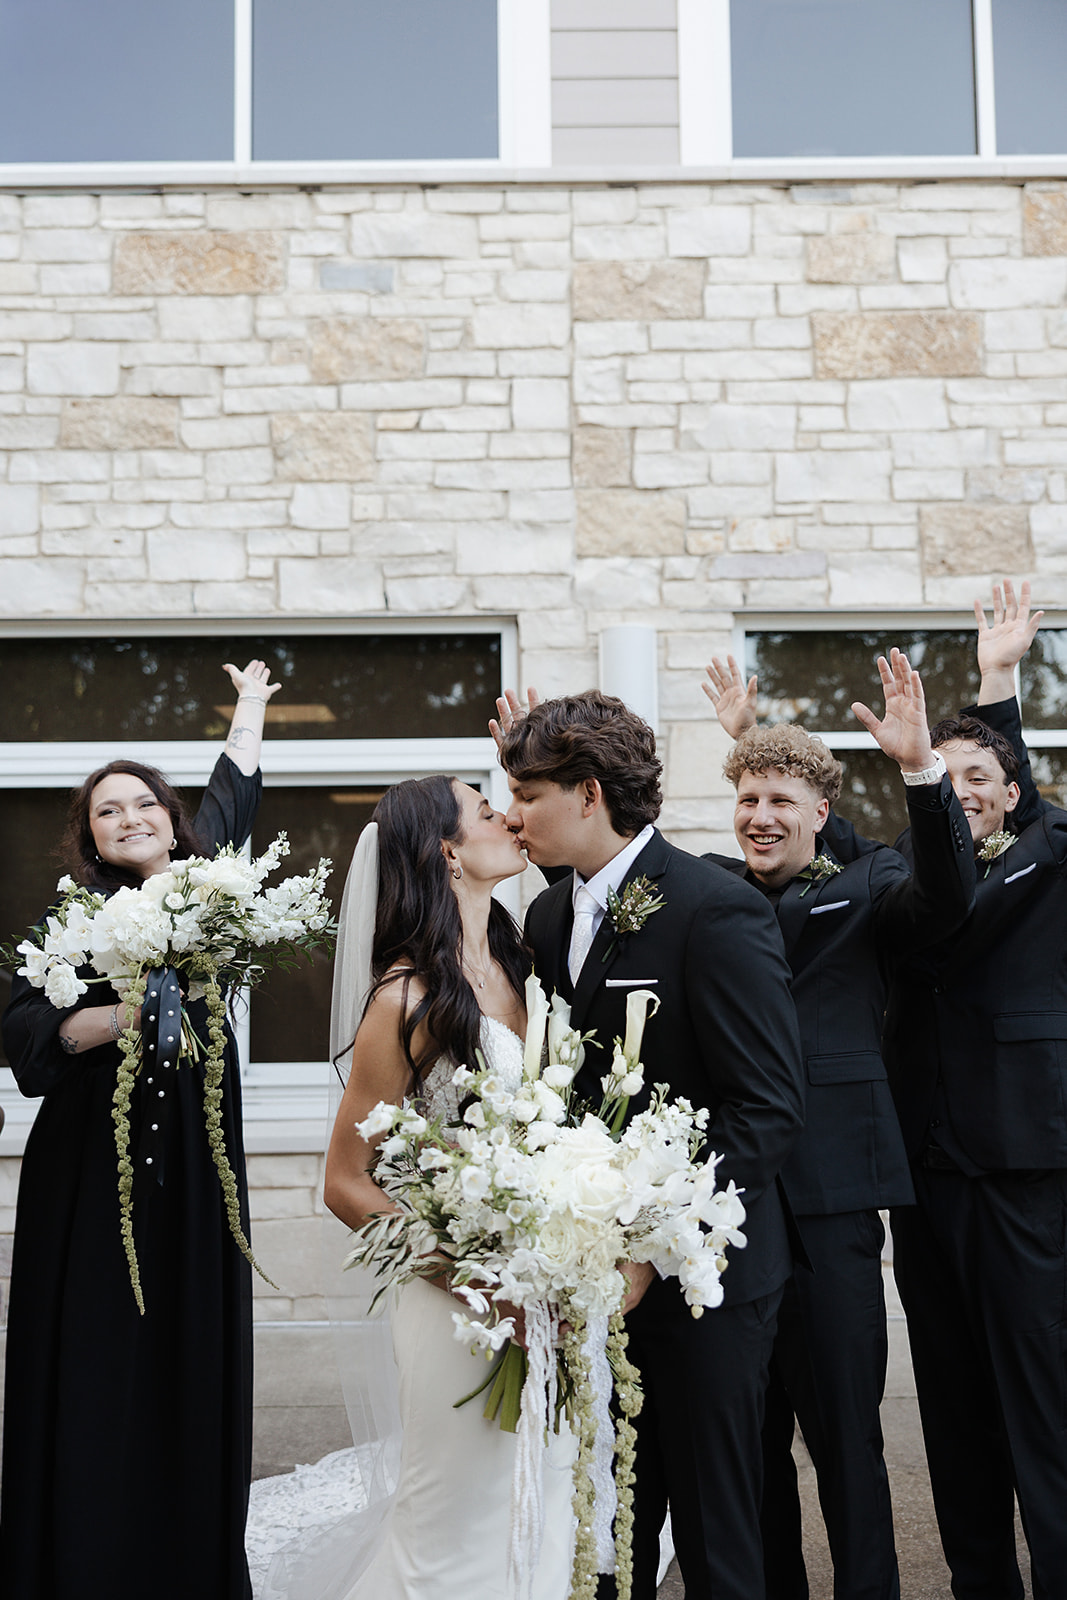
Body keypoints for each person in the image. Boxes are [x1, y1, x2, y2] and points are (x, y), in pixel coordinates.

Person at [497, 690, 805, 1600]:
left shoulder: (715, 909)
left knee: (715, 1533)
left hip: (705, 1282)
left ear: (587, 793)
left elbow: (767, 1109)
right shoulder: (548, 918)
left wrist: (646, 1246)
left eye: (527, 794)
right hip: (587, 1282)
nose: (513, 816)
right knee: (605, 1533)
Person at [0, 660, 278, 1600]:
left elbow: (232, 795)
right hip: (88, 1180)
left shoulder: (215, 892)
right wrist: (120, 1003)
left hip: (199, 1179)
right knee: (95, 1361)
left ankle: (184, 1559)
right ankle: (82, 1557)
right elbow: (30, 1041)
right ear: (88, 834)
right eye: (107, 811)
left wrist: (247, 709)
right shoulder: (67, 922)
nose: (130, 819)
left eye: (143, 804)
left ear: (169, 816)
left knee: (187, 1361)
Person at [702, 648, 974, 1600]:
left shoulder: (871, 888)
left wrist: (918, 772)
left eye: (783, 802)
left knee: (846, 1438)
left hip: (834, 1201)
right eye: (746, 801)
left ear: (822, 816)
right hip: (726, 1205)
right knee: (751, 1438)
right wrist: (753, 747)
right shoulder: (708, 890)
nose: (761, 817)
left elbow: (947, 895)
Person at [318, 775, 575, 1600]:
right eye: (486, 809)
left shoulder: (522, 960)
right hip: (452, 1301)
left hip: (541, 1284)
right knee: (451, 1521)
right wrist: (470, 1279)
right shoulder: (405, 997)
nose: (507, 815)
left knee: (539, 1504)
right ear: (447, 850)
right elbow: (345, 1181)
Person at [883, 586, 1067, 1599]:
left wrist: (996, 681)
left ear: (1006, 790)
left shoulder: (1047, 854)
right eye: (939, 775)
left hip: (1022, 1171)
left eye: (977, 776)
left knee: (1039, 1403)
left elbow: (1036, 813)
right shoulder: (903, 880)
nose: (958, 790)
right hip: (926, 1177)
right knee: (950, 1410)